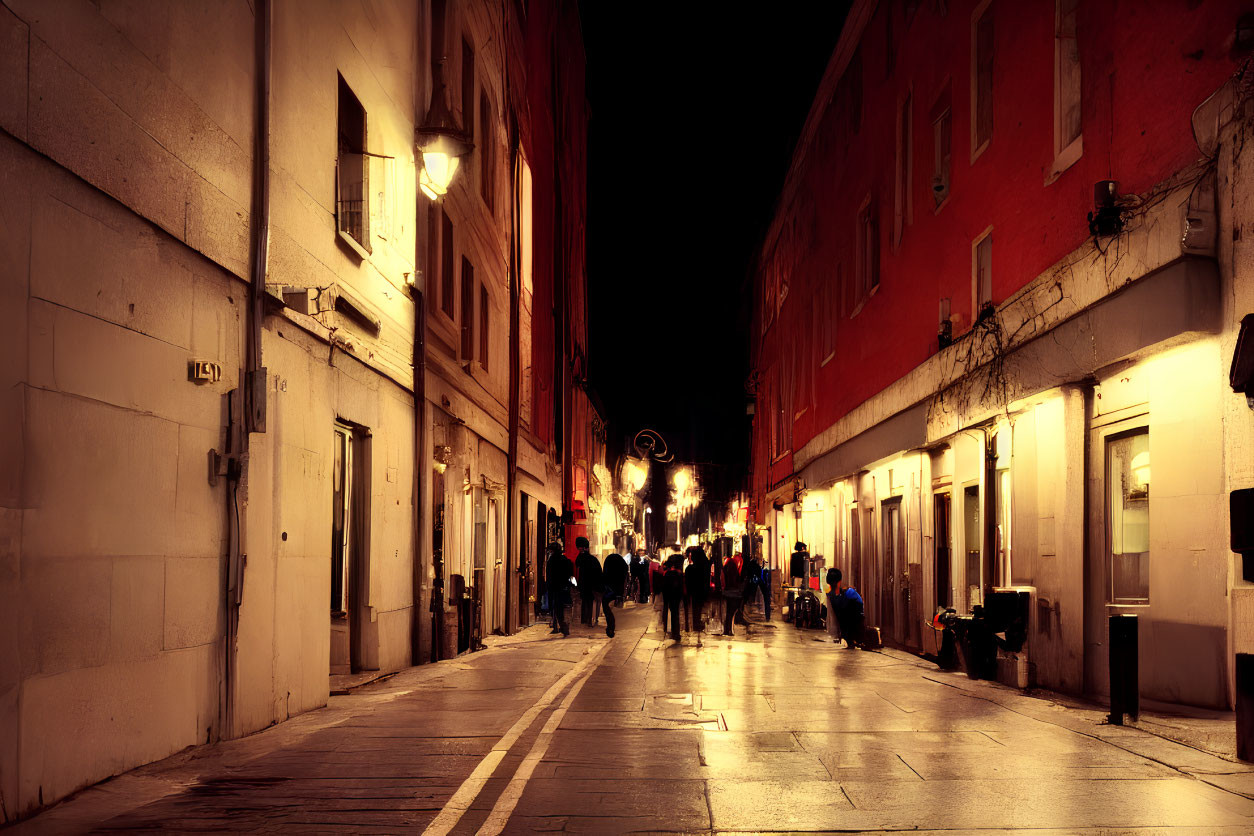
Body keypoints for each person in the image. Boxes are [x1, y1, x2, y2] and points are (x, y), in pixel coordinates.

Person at [829, 568, 865, 649]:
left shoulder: (849, 593)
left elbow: (848, 608)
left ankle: (853, 641)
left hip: (855, 615)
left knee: (845, 621)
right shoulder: (844, 593)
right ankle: (851, 641)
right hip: (853, 613)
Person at [545, 542, 573, 637]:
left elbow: (549, 576)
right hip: (565, 587)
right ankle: (565, 626)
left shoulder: (551, 561)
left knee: (558, 608)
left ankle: (562, 626)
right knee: (566, 607)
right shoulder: (565, 560)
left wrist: (548, 587)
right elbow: (570, 573)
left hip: (555, 588)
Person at [574, 537, 603, 626]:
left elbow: (577, 564)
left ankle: (586, 620)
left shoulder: (583, 558)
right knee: (588, 601)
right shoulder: (592, 559)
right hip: (590, 584)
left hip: (586, 583)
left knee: (586, 601)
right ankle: (588, 620)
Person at [684, 546, 711, 632]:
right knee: (698, 608)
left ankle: (696, 624)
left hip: (695, 590)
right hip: (701, 589)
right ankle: (697, 623)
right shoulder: (705, 565)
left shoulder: (690, 569)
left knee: (695, 608)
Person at [601, 552, 628, 638]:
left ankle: (611, 627)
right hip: (618, 591)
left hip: (609, 591)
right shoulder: (623, 567)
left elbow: (604, 575)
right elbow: (625, 577)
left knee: (607, 608)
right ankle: (613, 627)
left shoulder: (608, 565)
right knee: (615, 609)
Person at [661, 554, 685, 641]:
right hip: (676, 596)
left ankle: (673, 632)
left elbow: (664, 587)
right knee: (676, 614)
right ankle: (676, 633)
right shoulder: (679, 574)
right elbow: (681, 587)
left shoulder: (667, 574)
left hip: (670, 596)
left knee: (673, 613)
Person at [720, 552, 742, 636]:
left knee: (729, 611)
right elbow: (733, 580)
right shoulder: (732, 565)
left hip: (729, 591)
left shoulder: (728, 564)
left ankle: (728, 629)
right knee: (731, 611)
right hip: (732, 592)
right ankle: (728, 629)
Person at [825, 567, 843, 643]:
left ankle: (836, 634)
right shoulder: (838, 593)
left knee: (833, 616)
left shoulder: (829, 593)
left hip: (833, 629)